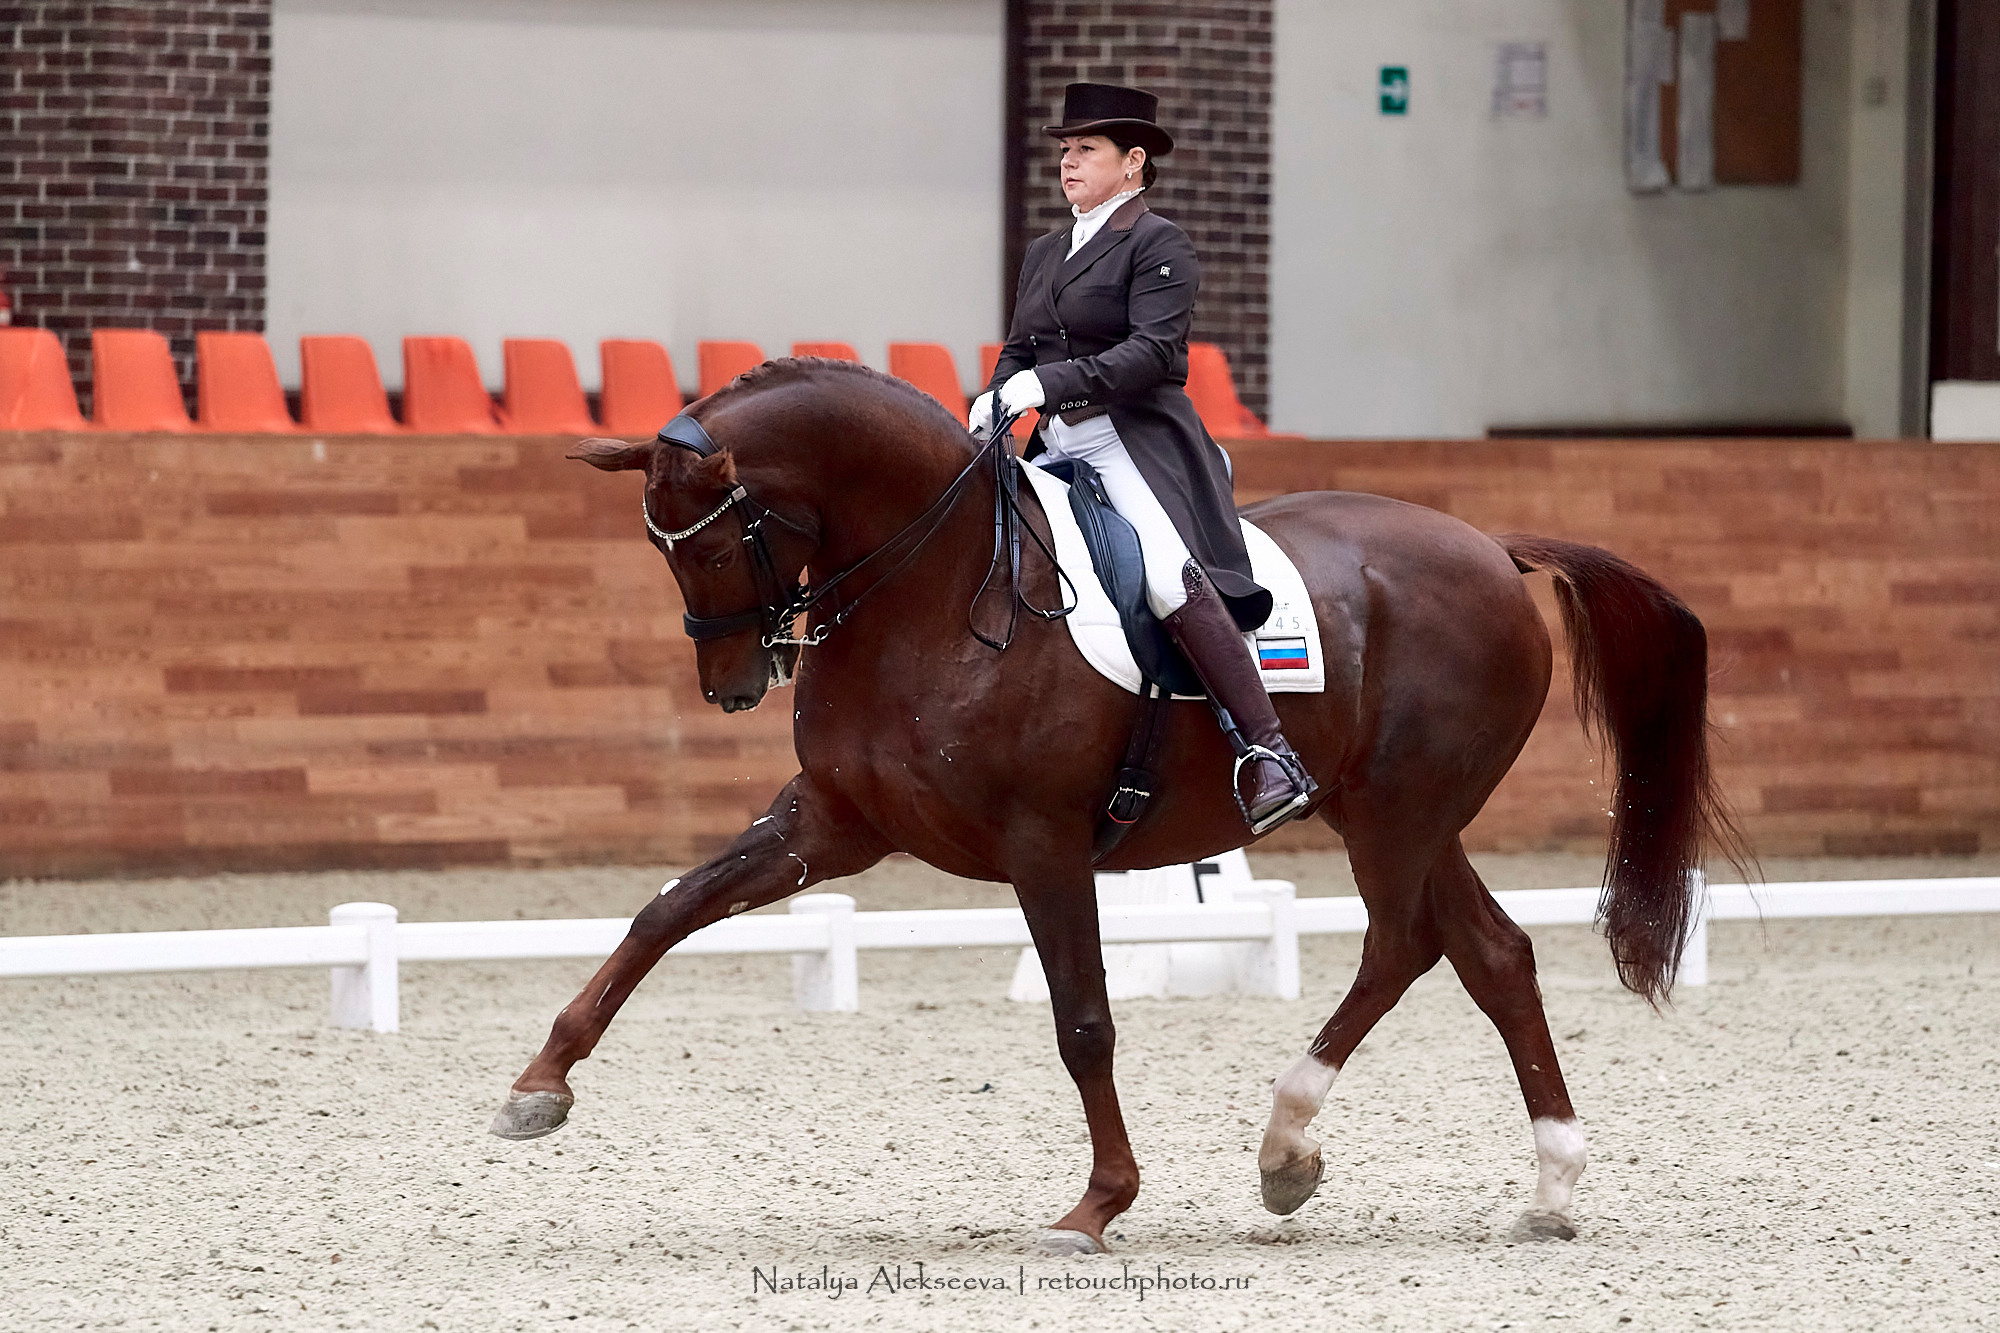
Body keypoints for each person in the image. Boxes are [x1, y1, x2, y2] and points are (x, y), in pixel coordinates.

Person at [972, 82, 1316, 835]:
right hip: (1055, 443)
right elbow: (1022, 346)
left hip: (1130, 438)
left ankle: (1268, 750)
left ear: (1132, 163)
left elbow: (1154, 354)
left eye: (1085, 150)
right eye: (1064, 150)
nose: (1068, 163)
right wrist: (996, 393)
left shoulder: (1160, 243)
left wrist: (1046, 383)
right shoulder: (1044, 251)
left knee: (1165, 572)